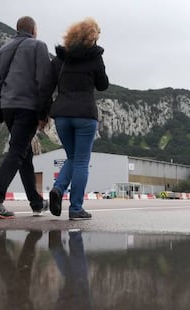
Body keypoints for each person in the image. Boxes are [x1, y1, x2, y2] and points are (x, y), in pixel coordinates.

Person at [0, 16, 53, 219]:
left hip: (8, 107)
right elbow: (44, 81)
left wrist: (4, 101)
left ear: (17, 29)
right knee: (17, 151)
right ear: (34, 29)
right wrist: (44, 113)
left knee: (24, 154)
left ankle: (37, 203)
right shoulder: (38, 46)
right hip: (27, 107)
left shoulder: (2, 50)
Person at [48, 17, 109, 220]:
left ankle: (58, 189)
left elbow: (46, 87)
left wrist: (42, 114)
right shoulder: (95, 58)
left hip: (62, 115)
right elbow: (102, 85)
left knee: (72, 157)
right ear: (92, 38)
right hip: (84, 115)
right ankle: (75, 208)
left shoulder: (60, 59)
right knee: (82, 161)